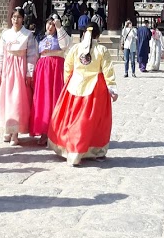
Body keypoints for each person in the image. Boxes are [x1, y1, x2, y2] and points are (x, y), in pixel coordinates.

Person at [48, 20, 118, 166]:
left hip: (75, 86)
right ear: (98, 35)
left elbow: (68, 67)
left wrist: (68, 81)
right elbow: (108, 70)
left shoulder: (75, 49)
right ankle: (94, 150)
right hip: (95, 90)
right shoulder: (102, 50)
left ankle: (71, 149)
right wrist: (111, 87)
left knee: (73, 118)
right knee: (93, 121)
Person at [0, 6, 38, 144]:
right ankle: (7, 129)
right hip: (7, 68)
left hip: (20, 68)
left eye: (19, 17)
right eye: (14, 17)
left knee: (17, 101)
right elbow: (0, 54)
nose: (16, 20)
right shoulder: (5, 34)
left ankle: (16, 133)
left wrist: (29, 73)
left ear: (23, 19)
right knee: (5, 99)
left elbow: (32, 55)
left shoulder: (28, 35)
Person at [29, 14, 71, 146]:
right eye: (49, 23)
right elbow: (35, 54)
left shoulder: (61, 37)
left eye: (53, 24)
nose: (50, 26)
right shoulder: (39, 38)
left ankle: (56, 131)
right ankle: (43, 131)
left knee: (56, 98)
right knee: (43, 99)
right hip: (42, 70)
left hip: (56, 68)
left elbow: (66, 46)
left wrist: (59, 28)